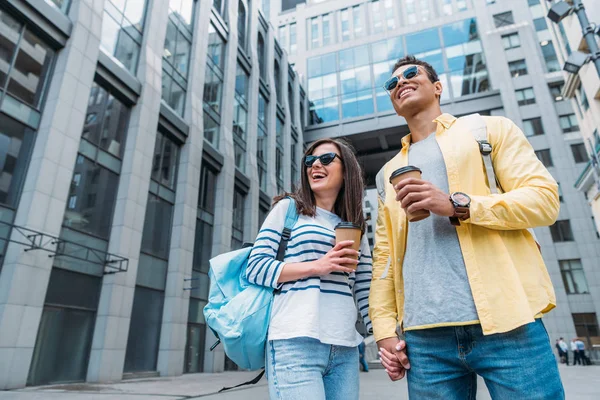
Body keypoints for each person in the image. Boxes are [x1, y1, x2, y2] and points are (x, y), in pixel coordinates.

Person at [369, 55, 565, 399]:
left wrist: (459, 205)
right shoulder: (387, 172)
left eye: (411, 74)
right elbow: (384, 259)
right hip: (424, 338)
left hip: (509, 323)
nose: (400, 82)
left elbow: (544, 200)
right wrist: (385, 331)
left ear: (438, 87)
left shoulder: (488, 130)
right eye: (392, 83)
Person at [247, 138, 372, 400]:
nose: (315, 164)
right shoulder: (289, 209)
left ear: (346, 170)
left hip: (345, 345)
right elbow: (256, 268)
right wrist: (317, 266)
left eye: (326, 159)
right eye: (309, 161)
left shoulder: (354, 223)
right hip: (294, 340)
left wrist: (382, 336)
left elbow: (364, 284)